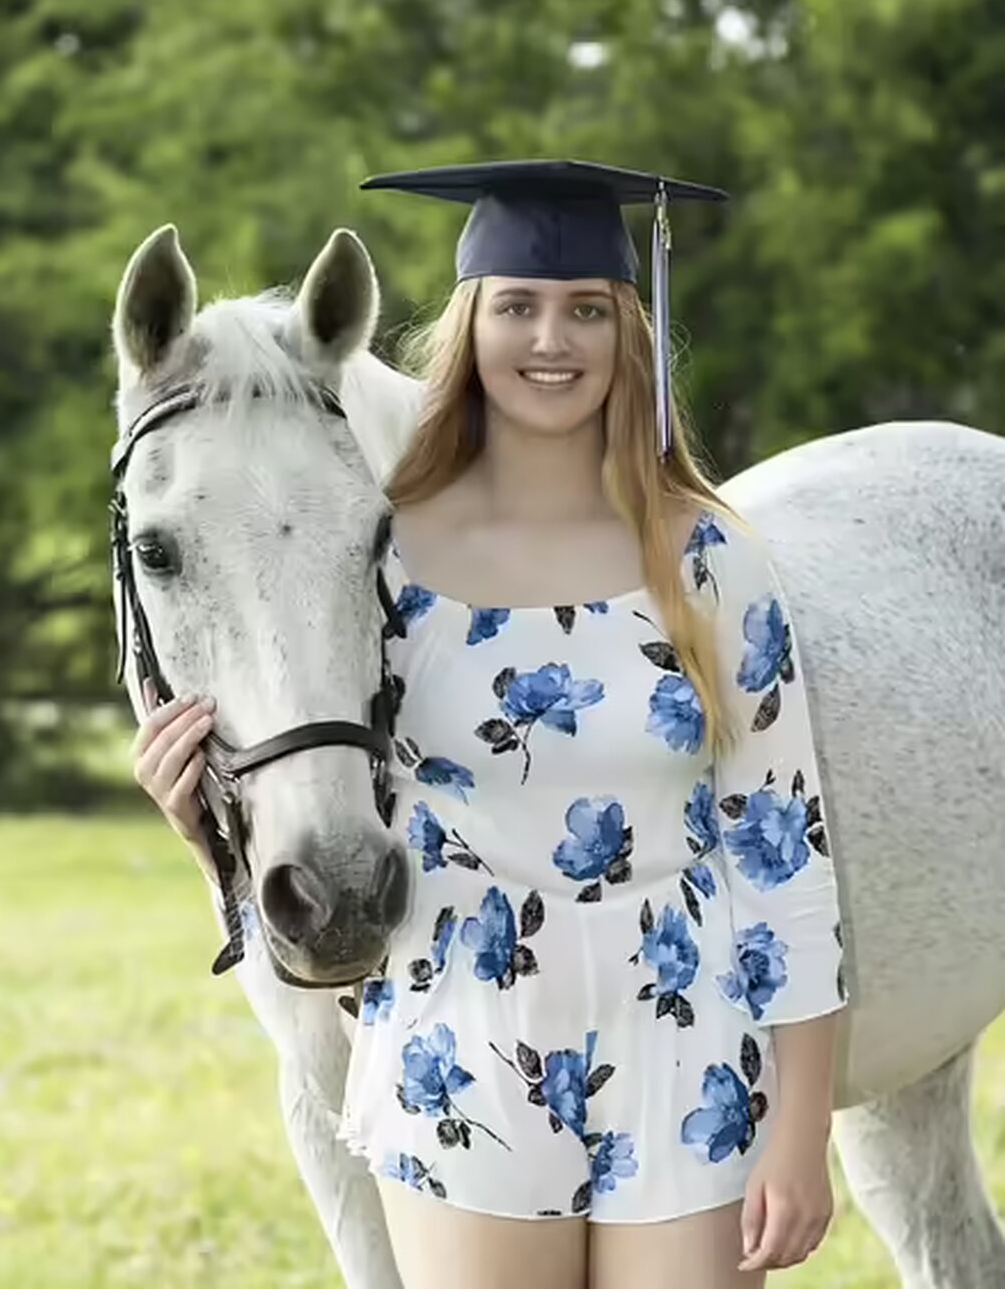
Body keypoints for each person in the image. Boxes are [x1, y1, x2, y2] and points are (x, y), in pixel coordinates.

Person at [132, 160, 849, 1289]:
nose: (548, 339)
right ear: (468, 325)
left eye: (585, 310)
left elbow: (781, 849)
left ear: (627, 334)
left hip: (684, 1036)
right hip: (460, 1038)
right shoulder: (386, 562)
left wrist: (800, 1123)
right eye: (515, 305)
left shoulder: (709, 560)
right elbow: (325, 794)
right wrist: (203, 822)